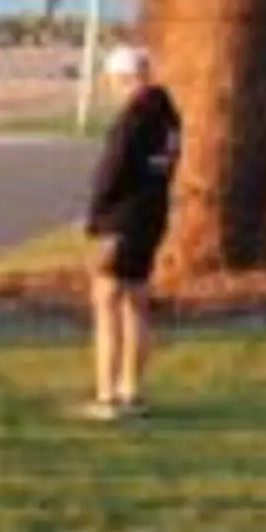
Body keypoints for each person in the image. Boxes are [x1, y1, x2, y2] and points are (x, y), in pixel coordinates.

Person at [83, 45, 181, 420]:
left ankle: (107, 396)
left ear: (124, 78)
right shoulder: (168, 115)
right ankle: (131, 390)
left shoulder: (134, 118)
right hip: (153, 214)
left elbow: (110, 171)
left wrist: (97, 220)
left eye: (112, 82)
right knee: (136, 301)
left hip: (122, 219)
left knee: (106, 301)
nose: (111, 89)